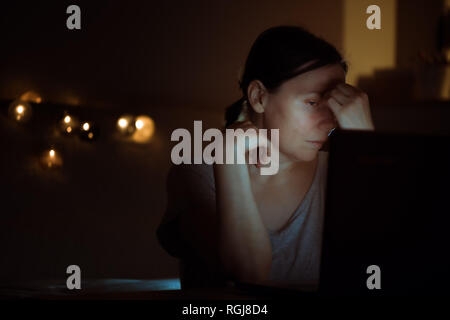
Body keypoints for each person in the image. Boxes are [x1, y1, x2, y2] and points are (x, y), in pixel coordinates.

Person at [156, 25, 375, 290]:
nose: (330, 122)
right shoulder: (197, 174)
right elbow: (248, 274)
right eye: (313, 103)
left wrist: (365, 142)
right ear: (259, 96)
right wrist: (229, 163)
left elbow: (391, 260)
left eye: (336, 105)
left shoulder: (340, 174)